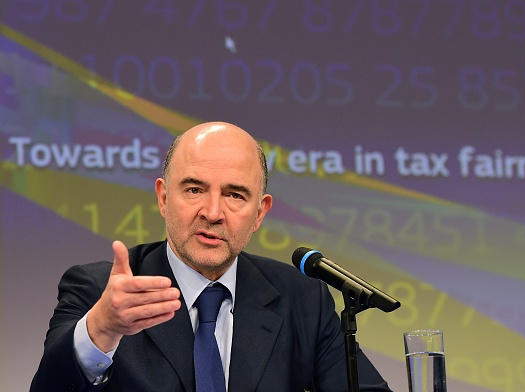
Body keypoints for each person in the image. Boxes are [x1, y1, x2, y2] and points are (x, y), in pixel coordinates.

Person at [30, 122, 392, 392]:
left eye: (235, 195)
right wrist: (102, 329)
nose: (213, 212)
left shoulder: (302, 299)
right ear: (163, 198)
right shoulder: (98, 290)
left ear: (260, 213)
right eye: (194, 189)